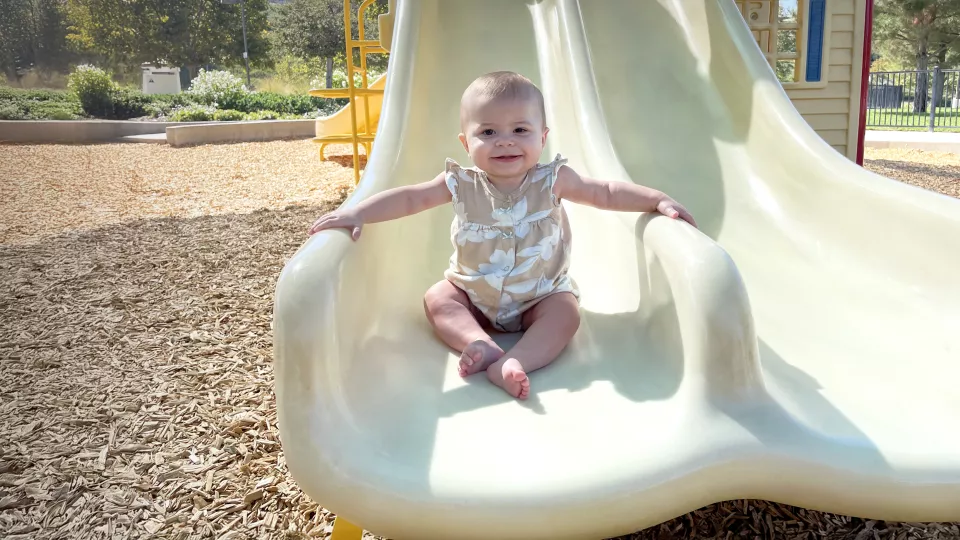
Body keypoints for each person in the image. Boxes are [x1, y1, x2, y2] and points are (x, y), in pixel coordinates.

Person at [308, 71, 696, 400]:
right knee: (438, 299)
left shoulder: (552, 179)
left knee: (566, 314)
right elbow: (411, 199)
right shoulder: (460, 183)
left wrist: (656, 199)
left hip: (540, 294)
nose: (505, 140)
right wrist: (358, 211)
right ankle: (479, 342)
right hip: (473, 291)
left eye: (520, 130)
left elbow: (605, 193)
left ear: (542, 138)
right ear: (466, 143)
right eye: (488, 131)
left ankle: (516, 361)